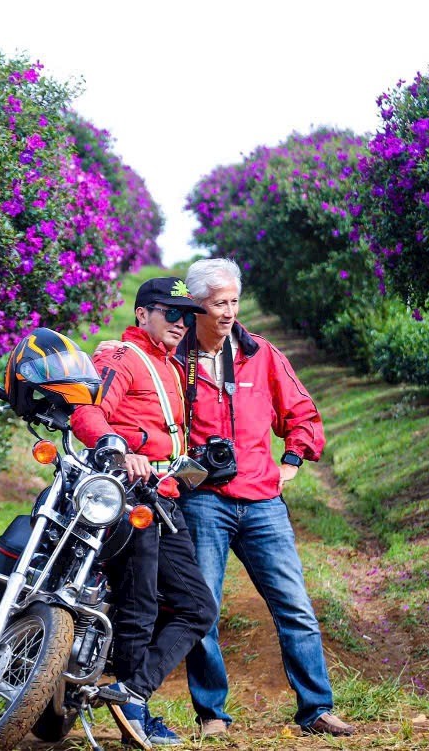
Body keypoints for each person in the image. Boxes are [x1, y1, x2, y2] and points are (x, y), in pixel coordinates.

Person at [176, 258, 355, 738]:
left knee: (293, 604)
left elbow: (302, 413)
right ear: (195, 306)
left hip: (261, 500)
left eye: (235, 301)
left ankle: (317, 708)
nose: (229, 311)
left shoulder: (262, 354)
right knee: (202, 611)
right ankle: (212, 714)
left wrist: (292, 461)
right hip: (201, 501)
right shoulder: (175, 361)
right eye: (219, 304)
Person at [71, 276, 219, 748]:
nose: (181, 323)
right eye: (170, 313)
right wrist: (117, 447)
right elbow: (86, 413)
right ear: (142, 314)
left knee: (197, 607)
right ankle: (135, 710)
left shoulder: (172, 366)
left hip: (165, 495)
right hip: (128, 494)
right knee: (139, 606)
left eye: (186, 316)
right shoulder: (121, 356)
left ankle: (131, 688)